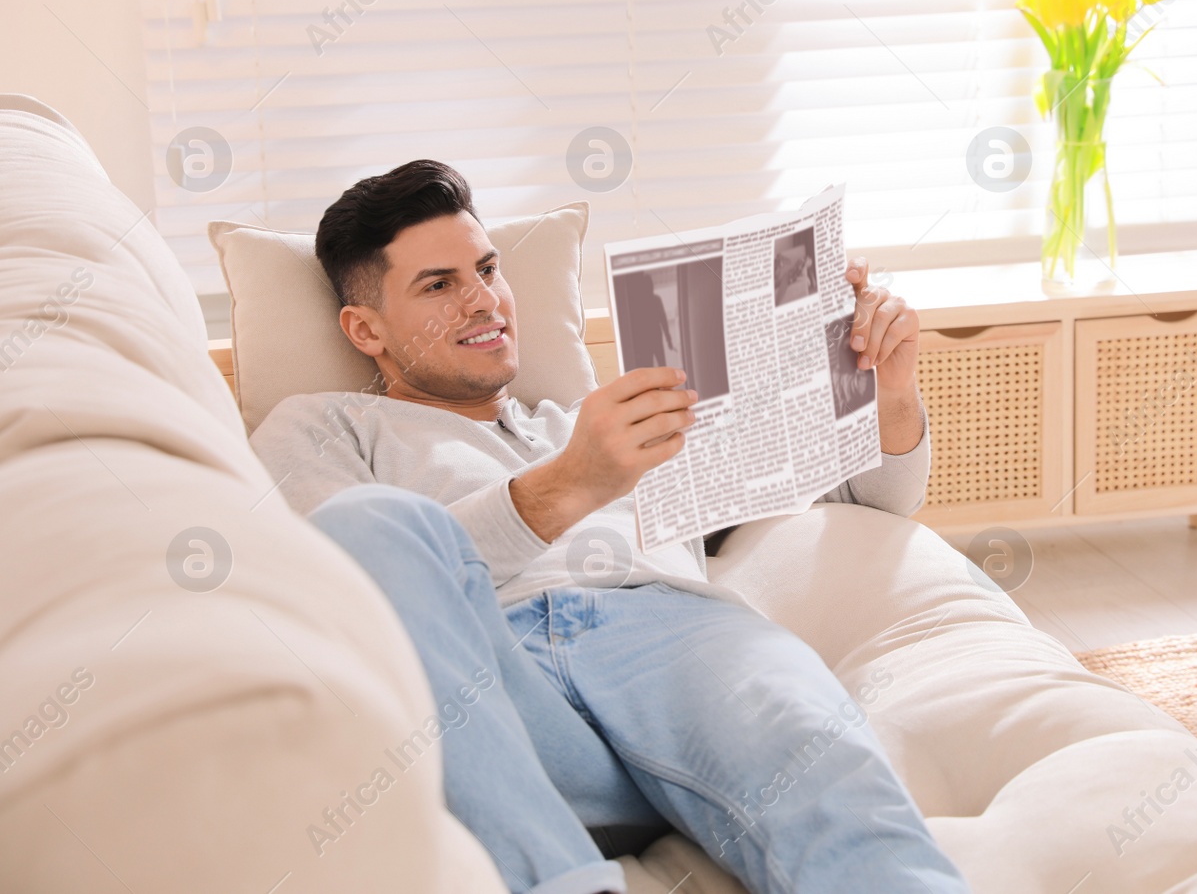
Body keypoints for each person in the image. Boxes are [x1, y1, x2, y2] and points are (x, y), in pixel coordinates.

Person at [249, 160, 966, 894]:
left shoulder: (603, 422)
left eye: (489, 269)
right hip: (498, 695)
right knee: (369, 523)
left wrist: (892, 387)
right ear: (364, 328)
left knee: (837, 793)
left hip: (678, 654)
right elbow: (335, 592)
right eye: (439, 284)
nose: (483, 300)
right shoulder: (325, 425)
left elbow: (865, 498)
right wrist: (568, 485)